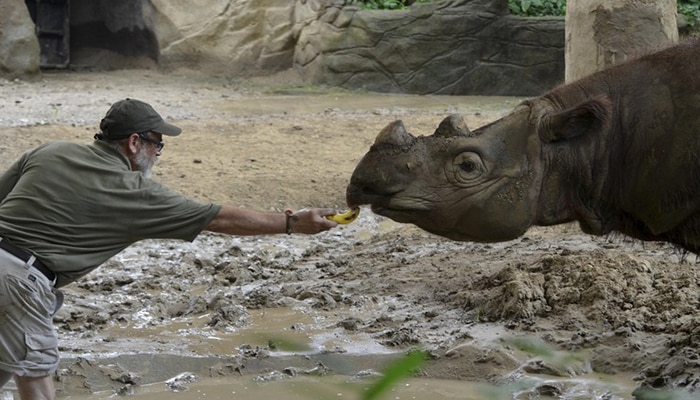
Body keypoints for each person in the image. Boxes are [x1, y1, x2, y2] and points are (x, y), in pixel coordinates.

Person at [0, 98, 339, 399]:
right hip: (19, 283)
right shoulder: (136, 193)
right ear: (134, 142)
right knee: (36, 376)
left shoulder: (49, 151)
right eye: (157, 144)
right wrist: (292, 223)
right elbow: (218, 219)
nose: (157, 154)